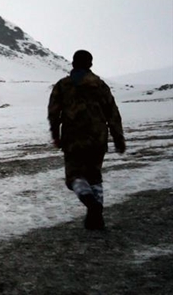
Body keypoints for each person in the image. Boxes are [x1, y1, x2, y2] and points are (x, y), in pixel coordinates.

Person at [48, 50, 125, 230]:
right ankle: (96, 218)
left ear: (73, 63)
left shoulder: (63, 85)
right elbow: (112, 113)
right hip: (98, 137)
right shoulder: (99, 85)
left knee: (74, 177)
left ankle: (92, 206)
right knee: (94, 176)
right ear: (90, 64)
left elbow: (53, 113)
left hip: (73, 138)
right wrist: (118, 138)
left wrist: (56, 135)